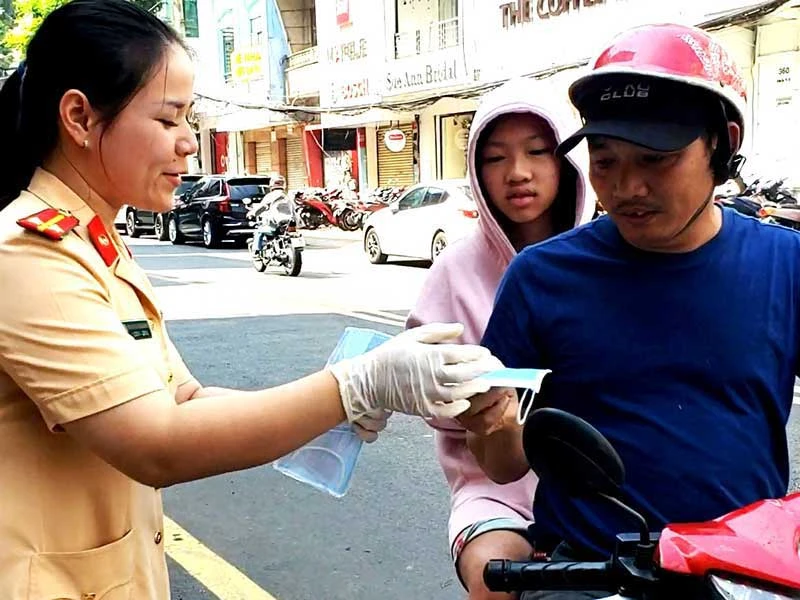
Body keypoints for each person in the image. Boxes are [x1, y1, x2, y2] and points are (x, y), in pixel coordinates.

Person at [0, 2, 502, 597]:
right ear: (80, 117)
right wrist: (353, 385)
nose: (189, 143)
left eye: (190, 119)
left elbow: (183, 398)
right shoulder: (28, 256)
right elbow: (157, 443)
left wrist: (332, 414)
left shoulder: (96, 245)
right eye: (168, 119)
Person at [470, 23, 800, 597]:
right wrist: (489, 423)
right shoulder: (540, 277)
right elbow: (503, 464)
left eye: (655, 159)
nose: (626, 188)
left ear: (722, 146)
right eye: (605, 161)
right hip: (592, 574)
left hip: (747, 577)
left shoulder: (786, 265)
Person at [405, 78, 595, 600]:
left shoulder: (607, 260)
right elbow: (423, 391)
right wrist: (475, 404)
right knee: (495, 579)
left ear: (569, 160)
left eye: (537, 151)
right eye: (495, 158)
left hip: (603, 487)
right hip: (496, 492)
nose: (518, 173)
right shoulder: (455, 268)